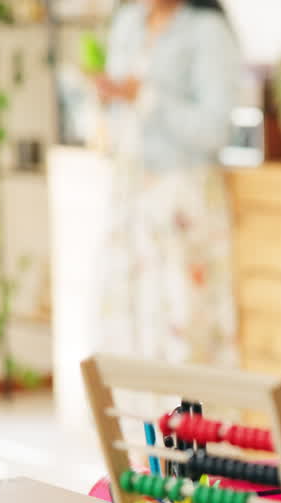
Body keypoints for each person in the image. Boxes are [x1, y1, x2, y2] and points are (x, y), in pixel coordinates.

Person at [94, 0, 241, 366]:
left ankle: (191, 423)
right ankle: (136, 422)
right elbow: (117, 119)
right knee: (128, 328)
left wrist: (148, 98)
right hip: (130, 197)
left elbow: (214, 130)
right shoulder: (127, 23)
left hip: (184, 198)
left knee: (185, 328)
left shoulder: (207, 29)